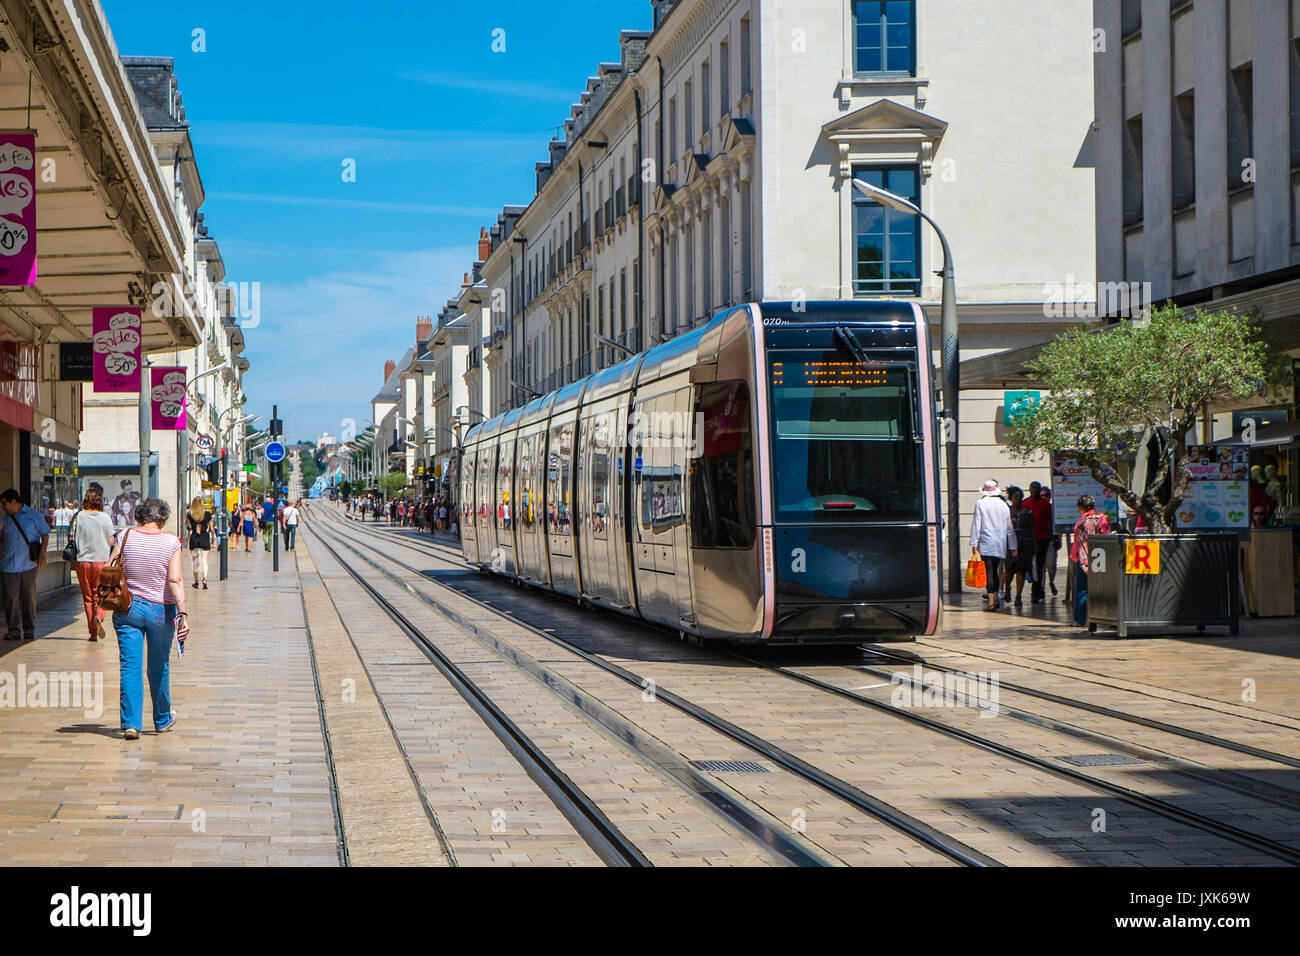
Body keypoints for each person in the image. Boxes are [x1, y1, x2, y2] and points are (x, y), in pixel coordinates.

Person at [109, 497, 188, 739]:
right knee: (159, 666)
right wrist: (183, 612)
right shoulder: (172, 542)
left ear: (141, 516)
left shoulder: (124, 536)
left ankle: (131, 724)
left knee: (130, 666)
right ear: (162, 519)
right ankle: (162, 719)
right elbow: (174, 580)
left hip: (128, 608)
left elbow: (110, 566)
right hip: (160, 611)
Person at [0, 489, 51, 641]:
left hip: (28, 564)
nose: (2, 507)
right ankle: (13, 629)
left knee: (29, 598)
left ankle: (29, 628)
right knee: (10, 599)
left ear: (13, 502)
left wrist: (42, 554)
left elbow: (45, 533)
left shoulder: (33, 515)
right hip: (8, 564)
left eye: (4, 503)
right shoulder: (5, 519)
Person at [72, 488, 115, 641]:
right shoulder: (105, 517)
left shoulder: (80, 516)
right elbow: (111, 541)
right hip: (100, 561)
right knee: (101, 595)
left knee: (88, 597)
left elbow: (73, 537)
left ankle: (93, 633)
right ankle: (99, 617)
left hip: (82, 561)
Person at [969, 479, 1017, 611]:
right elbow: (1009, 528)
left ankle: (991, 600)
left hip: (986, 542)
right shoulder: (1003, 505)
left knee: (989, 571)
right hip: (1000, 543)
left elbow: (976, 525)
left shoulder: (980, 504)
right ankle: (995, 597)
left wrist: (974, 543)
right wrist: (1013, 546)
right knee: (995, 570)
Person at [1068, 494, 1113, 628]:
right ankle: (1109, 618)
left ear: (1081, 507)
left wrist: (1078, 559)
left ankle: (1080, 620)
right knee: (1103, 589)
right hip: (1102, 558)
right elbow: (1107, 536)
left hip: (1085, 559)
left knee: (1082, 590)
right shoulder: (1103, 518)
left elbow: (1079, 543)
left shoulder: (1082, 522)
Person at [1004, 487, 1037, 608]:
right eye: (1015, 496)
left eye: (1019, 496)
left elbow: (1033, 529)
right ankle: (1007, 587)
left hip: (1025, 544)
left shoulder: (1028, 512)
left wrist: (1034, 545)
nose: (1018, 499)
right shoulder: (1006, 511)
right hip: (1010, 544)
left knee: (1021, 571)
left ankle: (1018, 595)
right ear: (1011, 498)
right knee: (1009, 571)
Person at [1024, 481, 1054, 602]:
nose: (1035, 490)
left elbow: (1050, 521)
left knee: (1040, 565)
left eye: (1037, 488)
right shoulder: (1025, 503)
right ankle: (1037, 588)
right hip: (1028, 539)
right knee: (1030, 566)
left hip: (1042, 538)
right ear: (1030, 489)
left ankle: (1036, 590)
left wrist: (1054, 537)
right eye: (1033, 488)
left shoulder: (1045, 504)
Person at [185, 497, 212, 589]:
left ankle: (196, 582)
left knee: (195, 561)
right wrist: (214, 536)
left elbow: (186, 525)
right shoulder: (207, 514)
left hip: (194, 538)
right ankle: (204, 579)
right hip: (204, 537)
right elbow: (211, 527)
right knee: (205, 561)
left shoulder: (190, 514)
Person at [1041, 488, 1059, 596]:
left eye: (1046, 495)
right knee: (1041, 567)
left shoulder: (1053, 509)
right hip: (1039, 541)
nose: (1044, 497)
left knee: (1051, 565)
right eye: (1041, 495)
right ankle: (1041, 589)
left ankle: (1051, 582)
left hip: (1051, 541)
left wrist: (1058, 540)